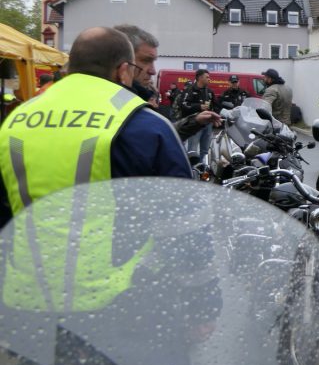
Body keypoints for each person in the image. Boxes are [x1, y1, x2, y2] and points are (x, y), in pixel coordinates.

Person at [0, 26, 191, 225]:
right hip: (120, 256)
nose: (151, 70)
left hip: (28, 254)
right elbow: (183, 216)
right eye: (144, 61)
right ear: (123, 70)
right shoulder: (146, 123)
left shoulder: (17, 118)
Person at [116, 25, 221, 141]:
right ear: (121, 62)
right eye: (146, 60)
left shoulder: (132, 101)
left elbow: (158, 135)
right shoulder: (118, 107)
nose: (153, 71)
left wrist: (195, 121)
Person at [181, 69, 215, 154]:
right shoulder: (189, 90)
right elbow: (184, 105)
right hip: (195, 123)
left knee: (205, 150)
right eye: (207, 77)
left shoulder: (209, 91)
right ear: (200, 78)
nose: (209, 79)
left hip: (208, 124)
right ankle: (192, 167)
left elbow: (215, 105)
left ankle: (203, 165)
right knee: (192, 150)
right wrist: (199, 106)